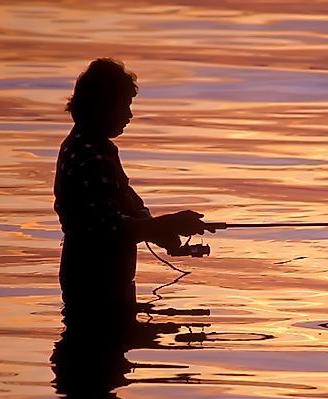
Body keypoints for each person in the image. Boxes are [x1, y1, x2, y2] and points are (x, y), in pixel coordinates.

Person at [53, 58, 214, 323]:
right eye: (124, 106)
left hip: (104, 279)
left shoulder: (96, 148)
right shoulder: (89, 155)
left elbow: (129, 203)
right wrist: (167, 224)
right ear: (102, 106)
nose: (129, 115)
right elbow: (108, 228)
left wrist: (160, 229)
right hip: (94, 281)